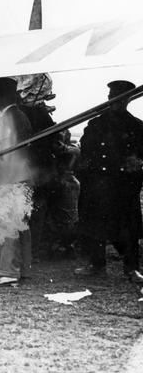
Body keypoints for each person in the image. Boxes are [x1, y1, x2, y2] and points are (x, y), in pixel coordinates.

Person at [75, 80, 143, 283]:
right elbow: (85, 151)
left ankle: (132, 269)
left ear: (127, 100)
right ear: (108, 99)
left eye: (120, 99)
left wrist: (137, 164)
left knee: (128, 228)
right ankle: (96, 265)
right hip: (98, 183)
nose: (115, 102)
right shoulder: (96, 124)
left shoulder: (136, 126)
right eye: (112, 98)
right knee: (95, 224)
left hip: (123, 185)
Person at [0, 77, 34, 286]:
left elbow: (4, 153)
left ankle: (8, 272)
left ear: (2, 96)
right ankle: (22, 270)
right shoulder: (20, 115)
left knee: (8, 224)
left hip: (11, 177)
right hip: (23, 176)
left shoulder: (8, 118)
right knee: (21, 224)